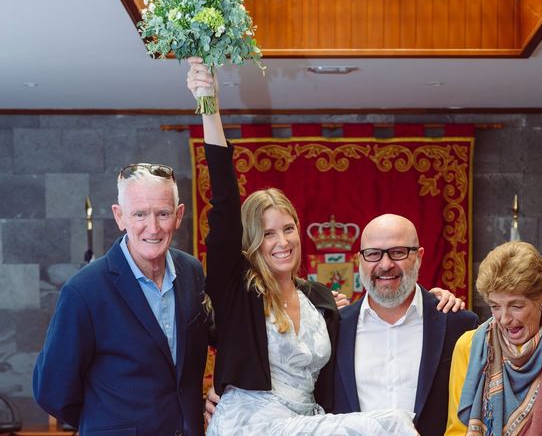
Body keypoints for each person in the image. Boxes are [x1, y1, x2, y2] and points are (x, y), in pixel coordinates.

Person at [188, 57, 468, 435]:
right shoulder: (238, 290)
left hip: (305, 419)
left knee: (394, 422)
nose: (282, 241)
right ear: (252, 241)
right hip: (253, 423)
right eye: (268, 233)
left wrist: (437, 298)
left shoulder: (318, 300)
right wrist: (209, 103)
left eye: (288, 229)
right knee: (392, 425)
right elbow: (223, 203)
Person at [33, 163, 210, 435]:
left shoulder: (192, 272)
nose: (152, 228)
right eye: (139, 214)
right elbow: (52, 391)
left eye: (163, 213)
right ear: (119, 216)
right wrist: (105, 421)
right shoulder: (83, 291)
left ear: (178, 215)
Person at [333, 213, 480, 436]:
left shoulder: (458, 325)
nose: (385, 264)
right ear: (360, 260)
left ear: (419, 256)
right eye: (373, 254)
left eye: (398, 252)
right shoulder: (334, 328)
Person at [445, 241, 542, 435]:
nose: (505, 319)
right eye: (495, 306)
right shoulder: (468, 346)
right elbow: (457, 431)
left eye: (516, 306)